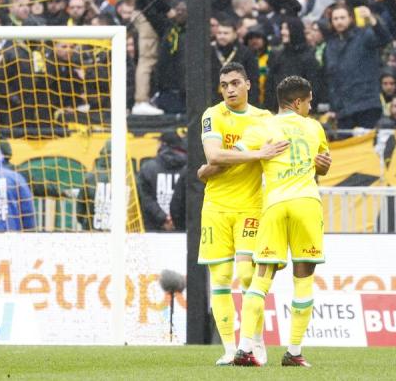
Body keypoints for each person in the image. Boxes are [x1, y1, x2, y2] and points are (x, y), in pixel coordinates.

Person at [234, 76, 331, 368]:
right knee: (303, 280)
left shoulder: (263, 126)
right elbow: (323, 165)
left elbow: (234, 157)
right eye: (309, 102)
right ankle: (294, 352)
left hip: (274, 205)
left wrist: (256, 155)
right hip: (306, 204)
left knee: (261, 278)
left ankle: (245, 348)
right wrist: (322, 166)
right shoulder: (314, 127)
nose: (310, 107)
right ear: (298, 102)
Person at [196, 62, 286, 366]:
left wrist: (212, 167)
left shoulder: (264, 119)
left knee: (247, 275)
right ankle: (228, 349)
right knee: (220, 277)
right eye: (224, 85)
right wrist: (255, 154)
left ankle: (254, 342)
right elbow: (213, 155)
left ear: (248, 84)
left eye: (235, 83)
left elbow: (213, 165)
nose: (230, 90)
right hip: (216, 207)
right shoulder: (212, 115)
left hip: (250, 206)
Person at [324, 4, 392, 129]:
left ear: (351, 18)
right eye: (335, 19)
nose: (339, 22)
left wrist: (372, 20)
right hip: (343, 108)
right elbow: (331, 78)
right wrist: (333, 107)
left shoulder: (364, 35)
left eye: (342, 18)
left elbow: (384, 38)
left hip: (366, 103)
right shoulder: (330, 45)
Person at [136, 131, 187, 231]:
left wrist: (163, 217)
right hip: (184, 230)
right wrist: (176, 220)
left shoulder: (147, 168)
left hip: (154, 230)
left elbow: (145, 198)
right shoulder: (190, 169)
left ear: (162, 144)